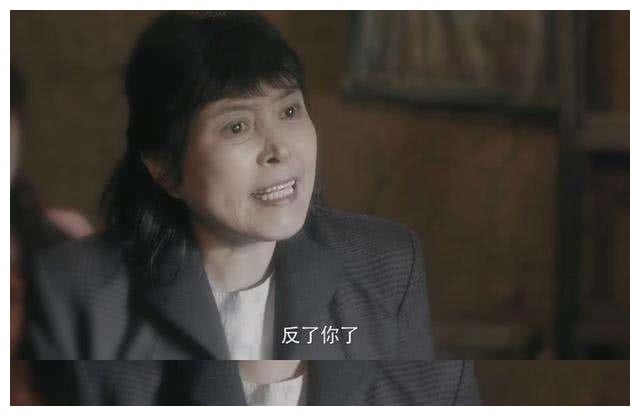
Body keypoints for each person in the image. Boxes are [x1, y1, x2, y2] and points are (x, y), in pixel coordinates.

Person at [26, 11, 433, 362]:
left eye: (290, 111)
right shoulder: (76, 293)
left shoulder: (387, 264)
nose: (279, 149)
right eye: (237, 126)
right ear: (164, 168)